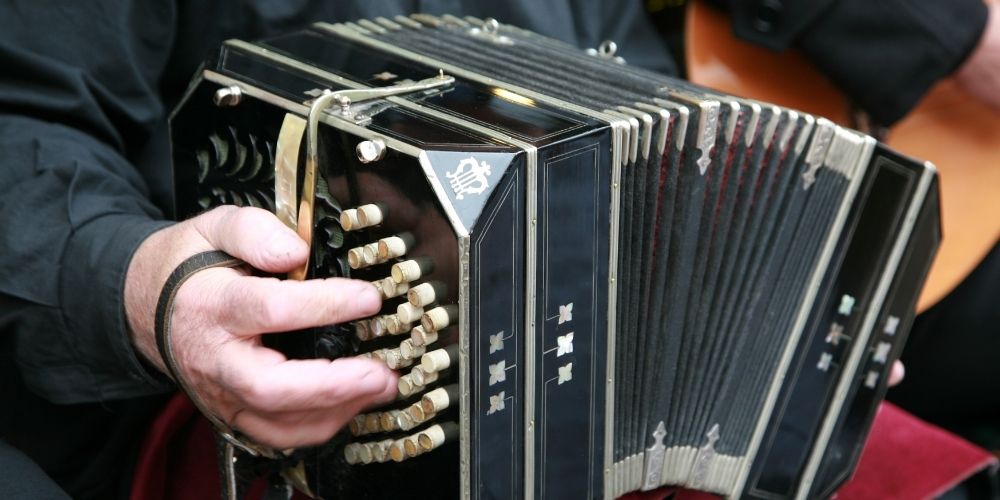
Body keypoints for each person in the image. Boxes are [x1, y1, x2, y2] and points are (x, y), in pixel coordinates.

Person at [0, 1, 994, 499]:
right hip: (268, 394)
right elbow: (22, 117)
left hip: (609, 381)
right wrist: (151, 294)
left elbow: (637, 99)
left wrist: (771, 294)